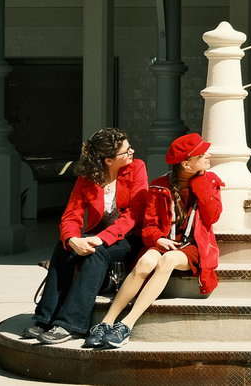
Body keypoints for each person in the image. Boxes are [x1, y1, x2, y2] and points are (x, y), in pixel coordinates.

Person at [85, 133, 222, 349]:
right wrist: (158, 239)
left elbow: (213, 216)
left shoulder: (210, 181)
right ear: (186, 164)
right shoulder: (159, 186)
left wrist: (201, 184)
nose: (209, 155)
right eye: (202, 154)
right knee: (146, 262)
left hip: (193, 247)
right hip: (164, 243)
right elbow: (149, 227)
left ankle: (127, 325)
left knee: (167, 261)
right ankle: (106, 322)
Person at [24, 127, 148, 344]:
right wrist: (72, 239)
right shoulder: (87, 177)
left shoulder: (136, 168)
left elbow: (134, 214)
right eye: (126, 151)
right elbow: (71, 215)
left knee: (96, 253)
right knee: (63, 248)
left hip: (130, 236)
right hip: (98, 234)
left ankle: (71, 324)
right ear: (108, 160)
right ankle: (44, 319)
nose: (132, 152)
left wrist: (101, 238)